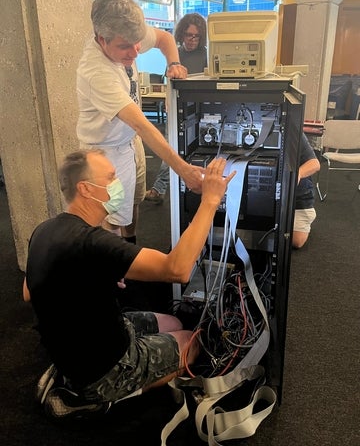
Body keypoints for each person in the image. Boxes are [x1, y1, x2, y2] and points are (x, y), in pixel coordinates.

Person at [23, 149, 235, 415]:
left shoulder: (45, 230)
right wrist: (210, 201)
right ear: (86, 189)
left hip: (87, 341)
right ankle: (102, 396)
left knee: (173, 323)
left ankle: (69, 372)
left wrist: (95, 276)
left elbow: (29, 292)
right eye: (111, 177)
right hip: (106, 366)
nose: (118, 183)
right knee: (192, 342)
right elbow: (178, 269)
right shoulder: (95, 243)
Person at [76, 0, 204, 244]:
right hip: (105, 150)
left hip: (129, 141)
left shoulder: (127, 33)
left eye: (137, 43)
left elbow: (164, 38)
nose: (135, 52)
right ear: (102, 40)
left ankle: (129, 246)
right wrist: (184, 171)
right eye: (125, 46)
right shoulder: (96, 72)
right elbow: (143, 125)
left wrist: (173, 64)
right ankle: (114, 268)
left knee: (133, 202)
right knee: (110, 216)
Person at [145, 13, 208, 204]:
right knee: (170, 146)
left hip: (201, 109)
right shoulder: (176, 54)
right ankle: (159, 188)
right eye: (188, 35)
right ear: (181, 34)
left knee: (200, 147)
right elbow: (169, 83)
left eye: (196, 36)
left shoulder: (206, 55)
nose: (192, 40)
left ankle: (201, 186)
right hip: (178, 108)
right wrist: (167, 103)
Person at [292, 133, 321, 248]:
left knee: (296, 241)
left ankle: (306, 216)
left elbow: (314, 164)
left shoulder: (294, 131)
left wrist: (297, 174)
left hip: (297, 195)